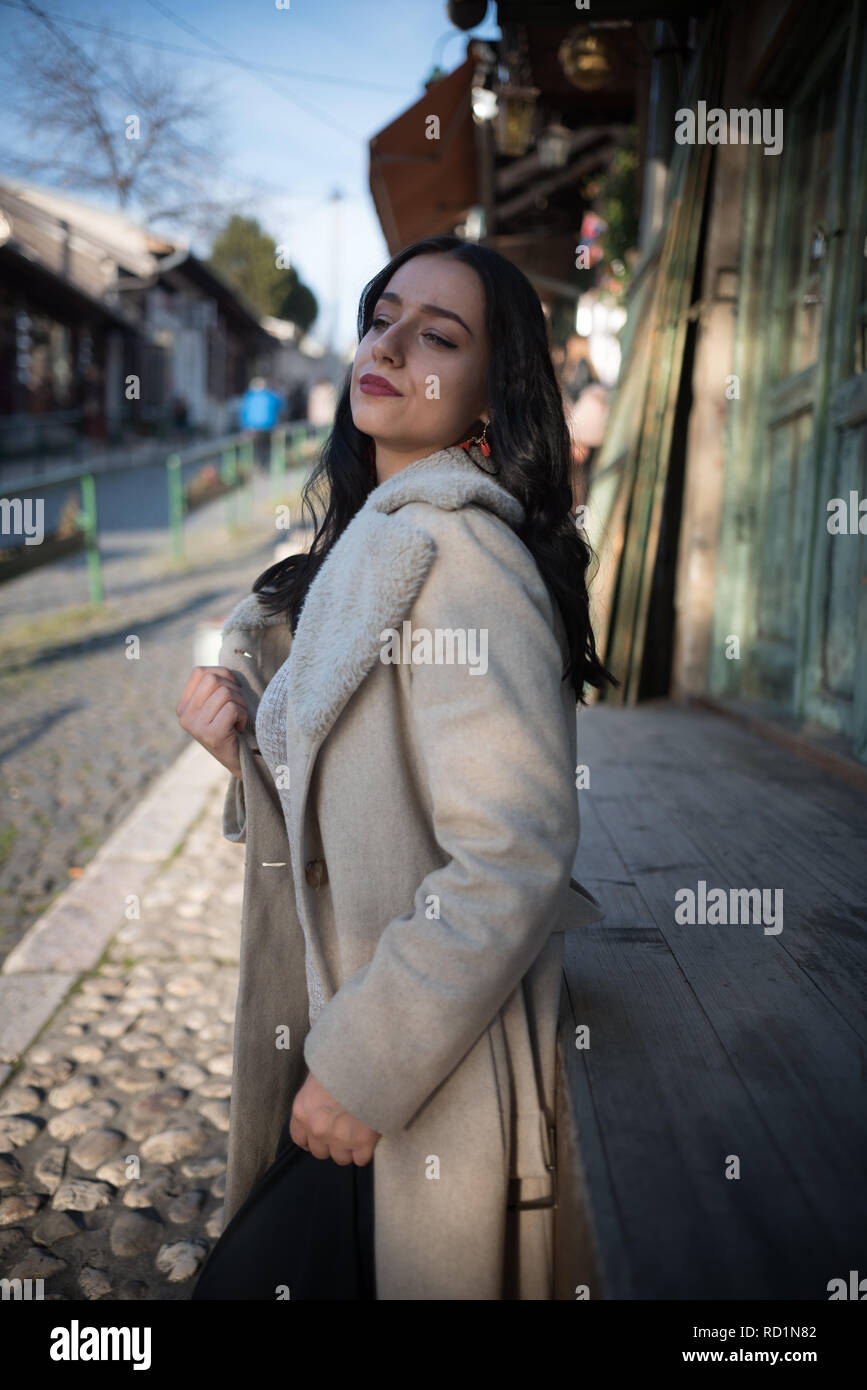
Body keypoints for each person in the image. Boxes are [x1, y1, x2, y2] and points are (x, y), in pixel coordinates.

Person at [176, 234, 618, 1300]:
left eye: (439, 335)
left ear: (486, 398)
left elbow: (514, 853)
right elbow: (370, 804)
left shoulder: (461, 557)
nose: (389, 344)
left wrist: (364, 1065)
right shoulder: (377, 543)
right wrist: (247, 748)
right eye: (382, 318)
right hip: (362, 1058)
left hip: (422, 1085)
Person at [239, 376, 284, 469]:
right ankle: (267, 467)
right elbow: (281, 406)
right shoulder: (271, 395)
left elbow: (244, 412)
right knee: (267, 447)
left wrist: (244, 427)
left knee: (256, 448)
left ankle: (257, 466)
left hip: (253, 427)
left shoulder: (248, 396)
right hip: (269, 425)